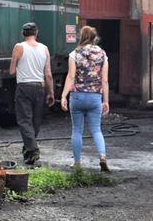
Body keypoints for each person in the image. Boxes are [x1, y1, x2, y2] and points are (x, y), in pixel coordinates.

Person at [59, 24, 110, 173]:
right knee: (96, 130)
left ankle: (77, 163)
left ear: (81, 37)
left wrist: (63, 95)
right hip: (95, 97)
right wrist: (106, 101)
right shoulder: (102, 54)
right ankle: (102, 157)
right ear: (95, 38)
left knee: (77, 131)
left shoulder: (75, 53)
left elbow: (71, 76)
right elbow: (104, 80)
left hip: (78, 97)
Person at [9, 21, 54, 167]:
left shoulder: (19, 47)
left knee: (24, 120)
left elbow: (11, 71)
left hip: (24, 87)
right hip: (39, 87)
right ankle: (29, 154)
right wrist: (51, 92)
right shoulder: (44, 48)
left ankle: (33, 150)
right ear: (36, 33)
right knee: (35, 121)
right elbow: (48, 74)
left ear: (23, 33)